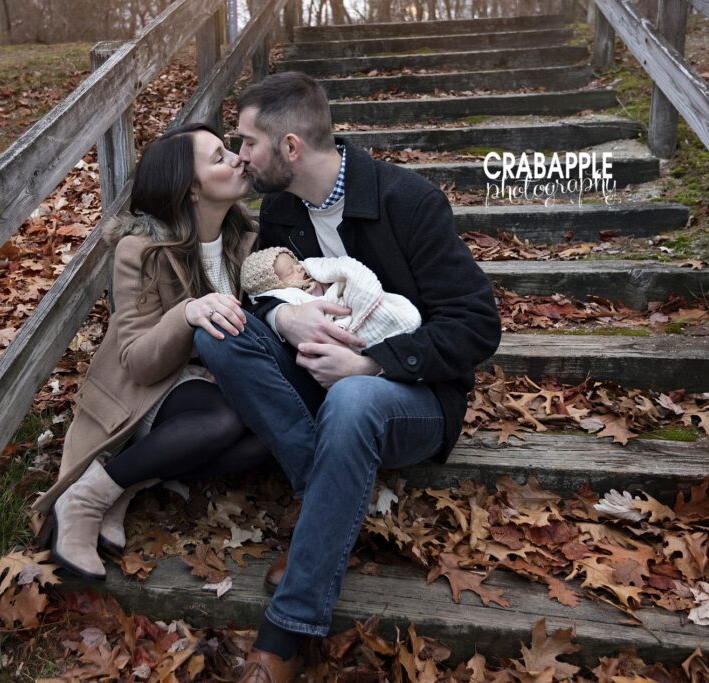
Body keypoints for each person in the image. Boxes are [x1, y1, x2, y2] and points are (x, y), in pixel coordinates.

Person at [193, 73, 502, 682]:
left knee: (356, 399)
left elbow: (476, 325)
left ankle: (283, 635)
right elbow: (268, 293)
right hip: (316, 379)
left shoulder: (407, 200)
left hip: (413, 398)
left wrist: (371, 364)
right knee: (217, 334)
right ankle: (326, 506)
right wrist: (284, 315)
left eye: (247, 141)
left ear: (289, 148)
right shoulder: (281, 209)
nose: (240, 155)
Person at [31, 123, 270, 581]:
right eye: (220, 157)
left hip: (213, 384)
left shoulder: (248, 239)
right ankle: (83, 499)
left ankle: (129, 481)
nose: (239, 158)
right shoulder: (141, 251)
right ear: (191, 190)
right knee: (228, 417)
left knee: (262, 437)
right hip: (146, 390)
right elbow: (140, 362)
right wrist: (186, 314)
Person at [240, 247, 422, 347]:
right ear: (276, 286)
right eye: (290, 271)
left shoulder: (312, 272)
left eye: (295, 263)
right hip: (338, 323)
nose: (300, 268)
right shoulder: (289, 295)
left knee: (394, 312)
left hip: (351, 299)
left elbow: (339, 270)